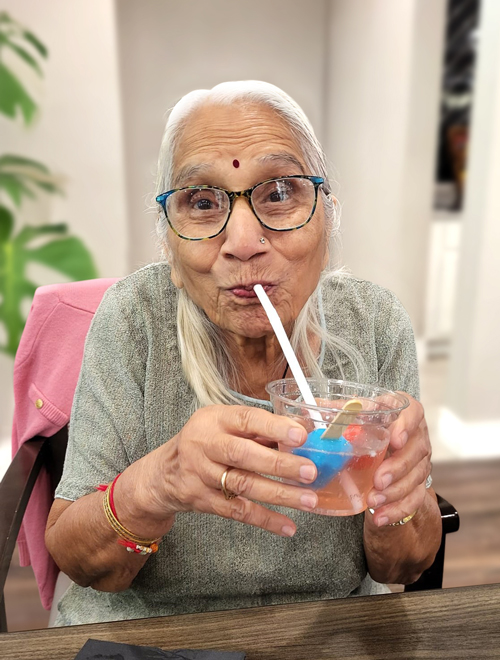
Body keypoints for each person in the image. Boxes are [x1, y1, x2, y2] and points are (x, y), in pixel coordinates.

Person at [45, 81, 441, 626]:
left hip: (327, 631)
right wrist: (156, 484)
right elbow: (78, 559)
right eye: (202, 203)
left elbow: (405, 566)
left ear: (327, 216)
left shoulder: (373, 323)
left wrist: (398, 501)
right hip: (149, 634)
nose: (243, 241)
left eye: (279, 193)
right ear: (168, 241)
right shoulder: (134, 319)